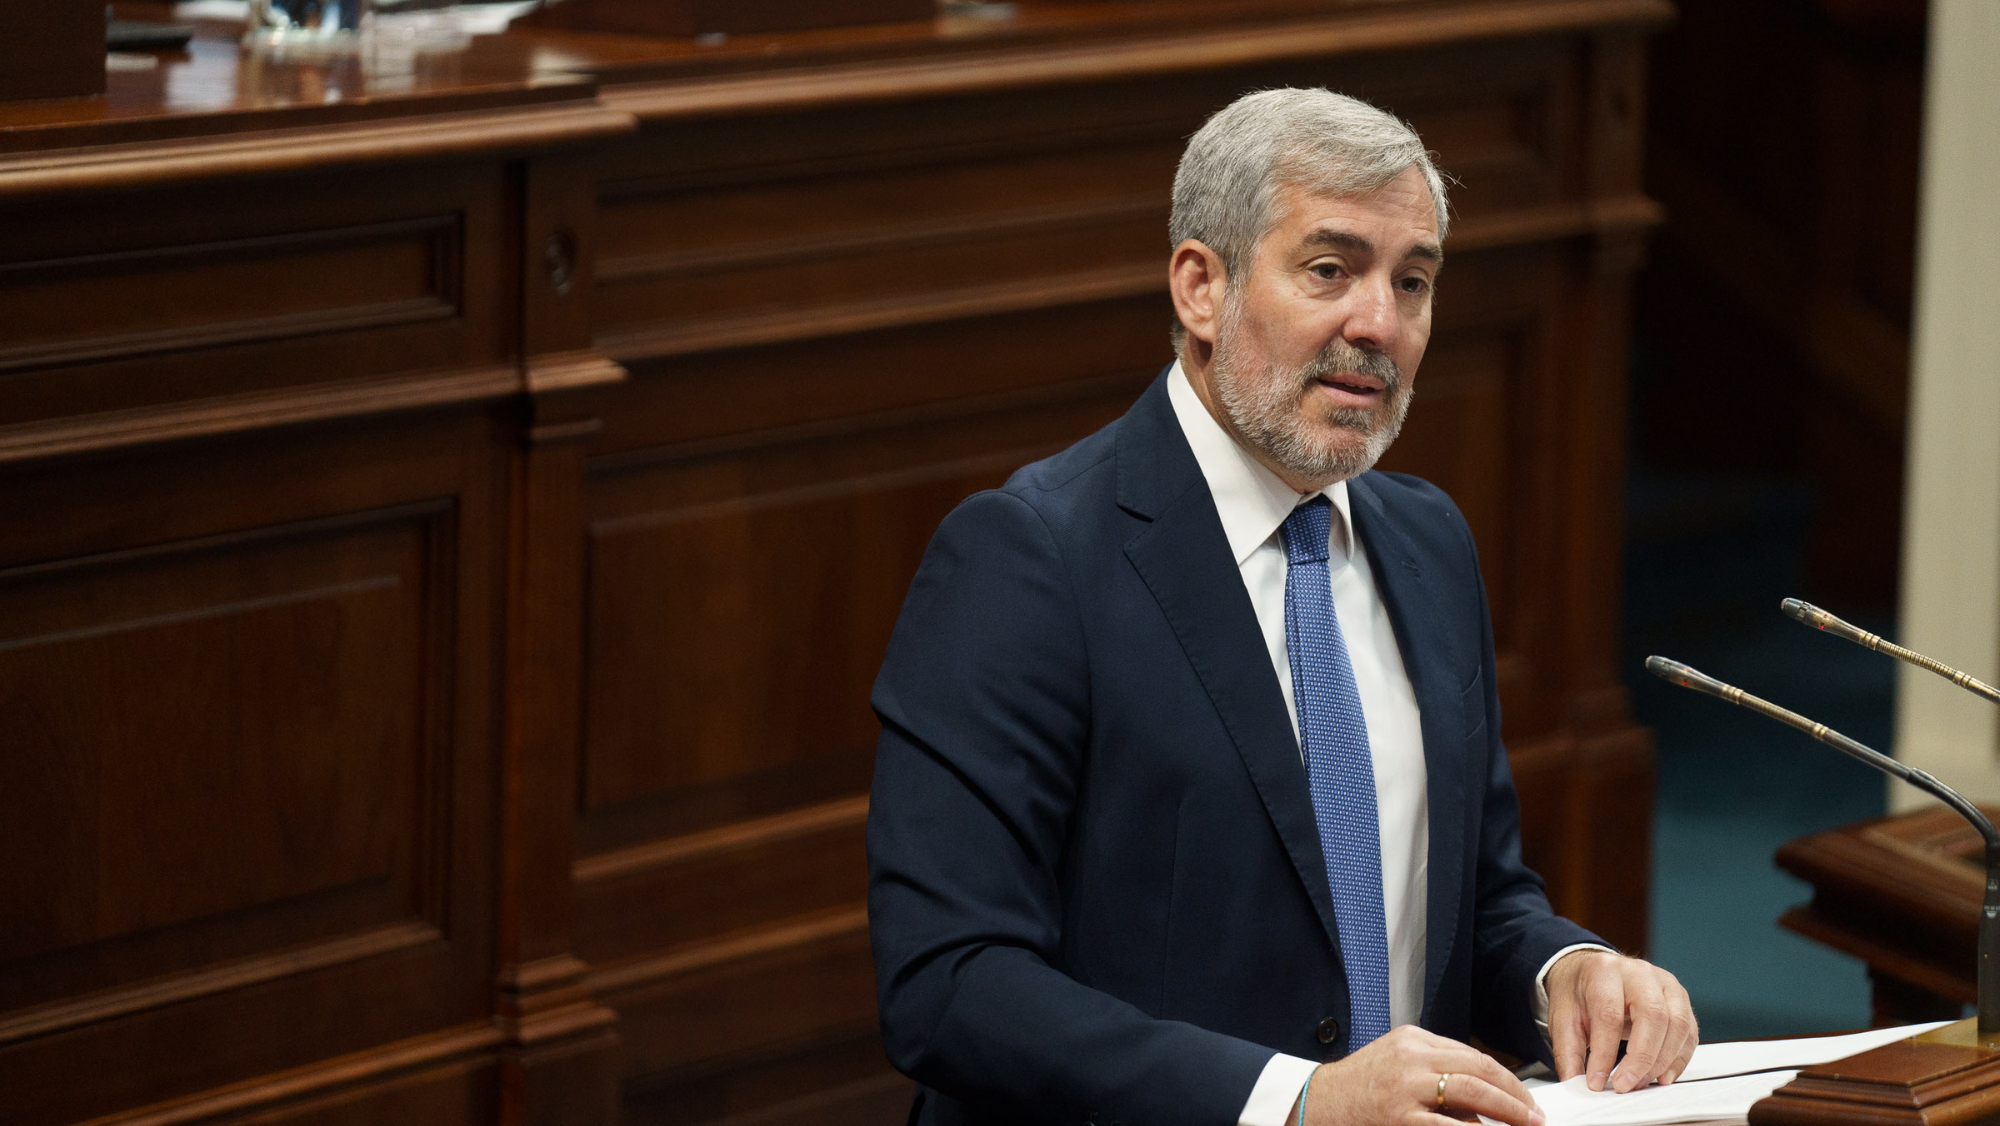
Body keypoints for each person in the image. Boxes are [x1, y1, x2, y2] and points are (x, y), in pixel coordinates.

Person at [865, 88, 1696, 1126]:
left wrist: (1559, 970)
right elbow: (949, 985)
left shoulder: (1428, 541)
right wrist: (1296, 1102)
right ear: (1200, 287)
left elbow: (1473, 897)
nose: (1378, 324)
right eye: (1329, 271)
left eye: (1414, 281)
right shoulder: (1027, 558)